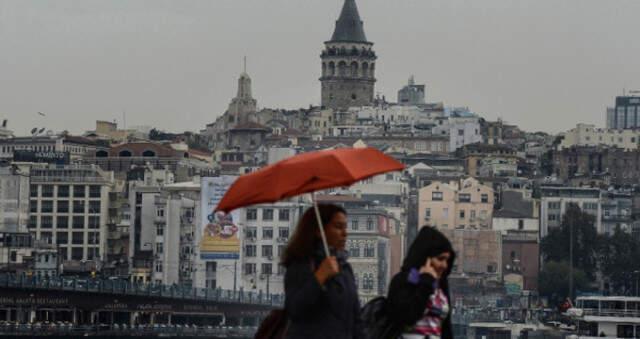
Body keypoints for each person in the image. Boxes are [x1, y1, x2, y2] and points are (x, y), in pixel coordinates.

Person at [282, 204, 363, 339]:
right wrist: (320, 276)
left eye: (345, 227)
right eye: (338, 227)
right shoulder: (301, 264)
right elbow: (295, 309)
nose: (345, 233)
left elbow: (355, 318)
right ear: (319, 231)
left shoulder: (344, 267)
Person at [386, 226, 456, 339]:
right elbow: (407, 317)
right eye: (440, 259)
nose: (444, 265)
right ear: (426, 258)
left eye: (447, 260)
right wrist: (425, 282)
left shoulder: (440, 287)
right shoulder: (403, 281)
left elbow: (446, 329)